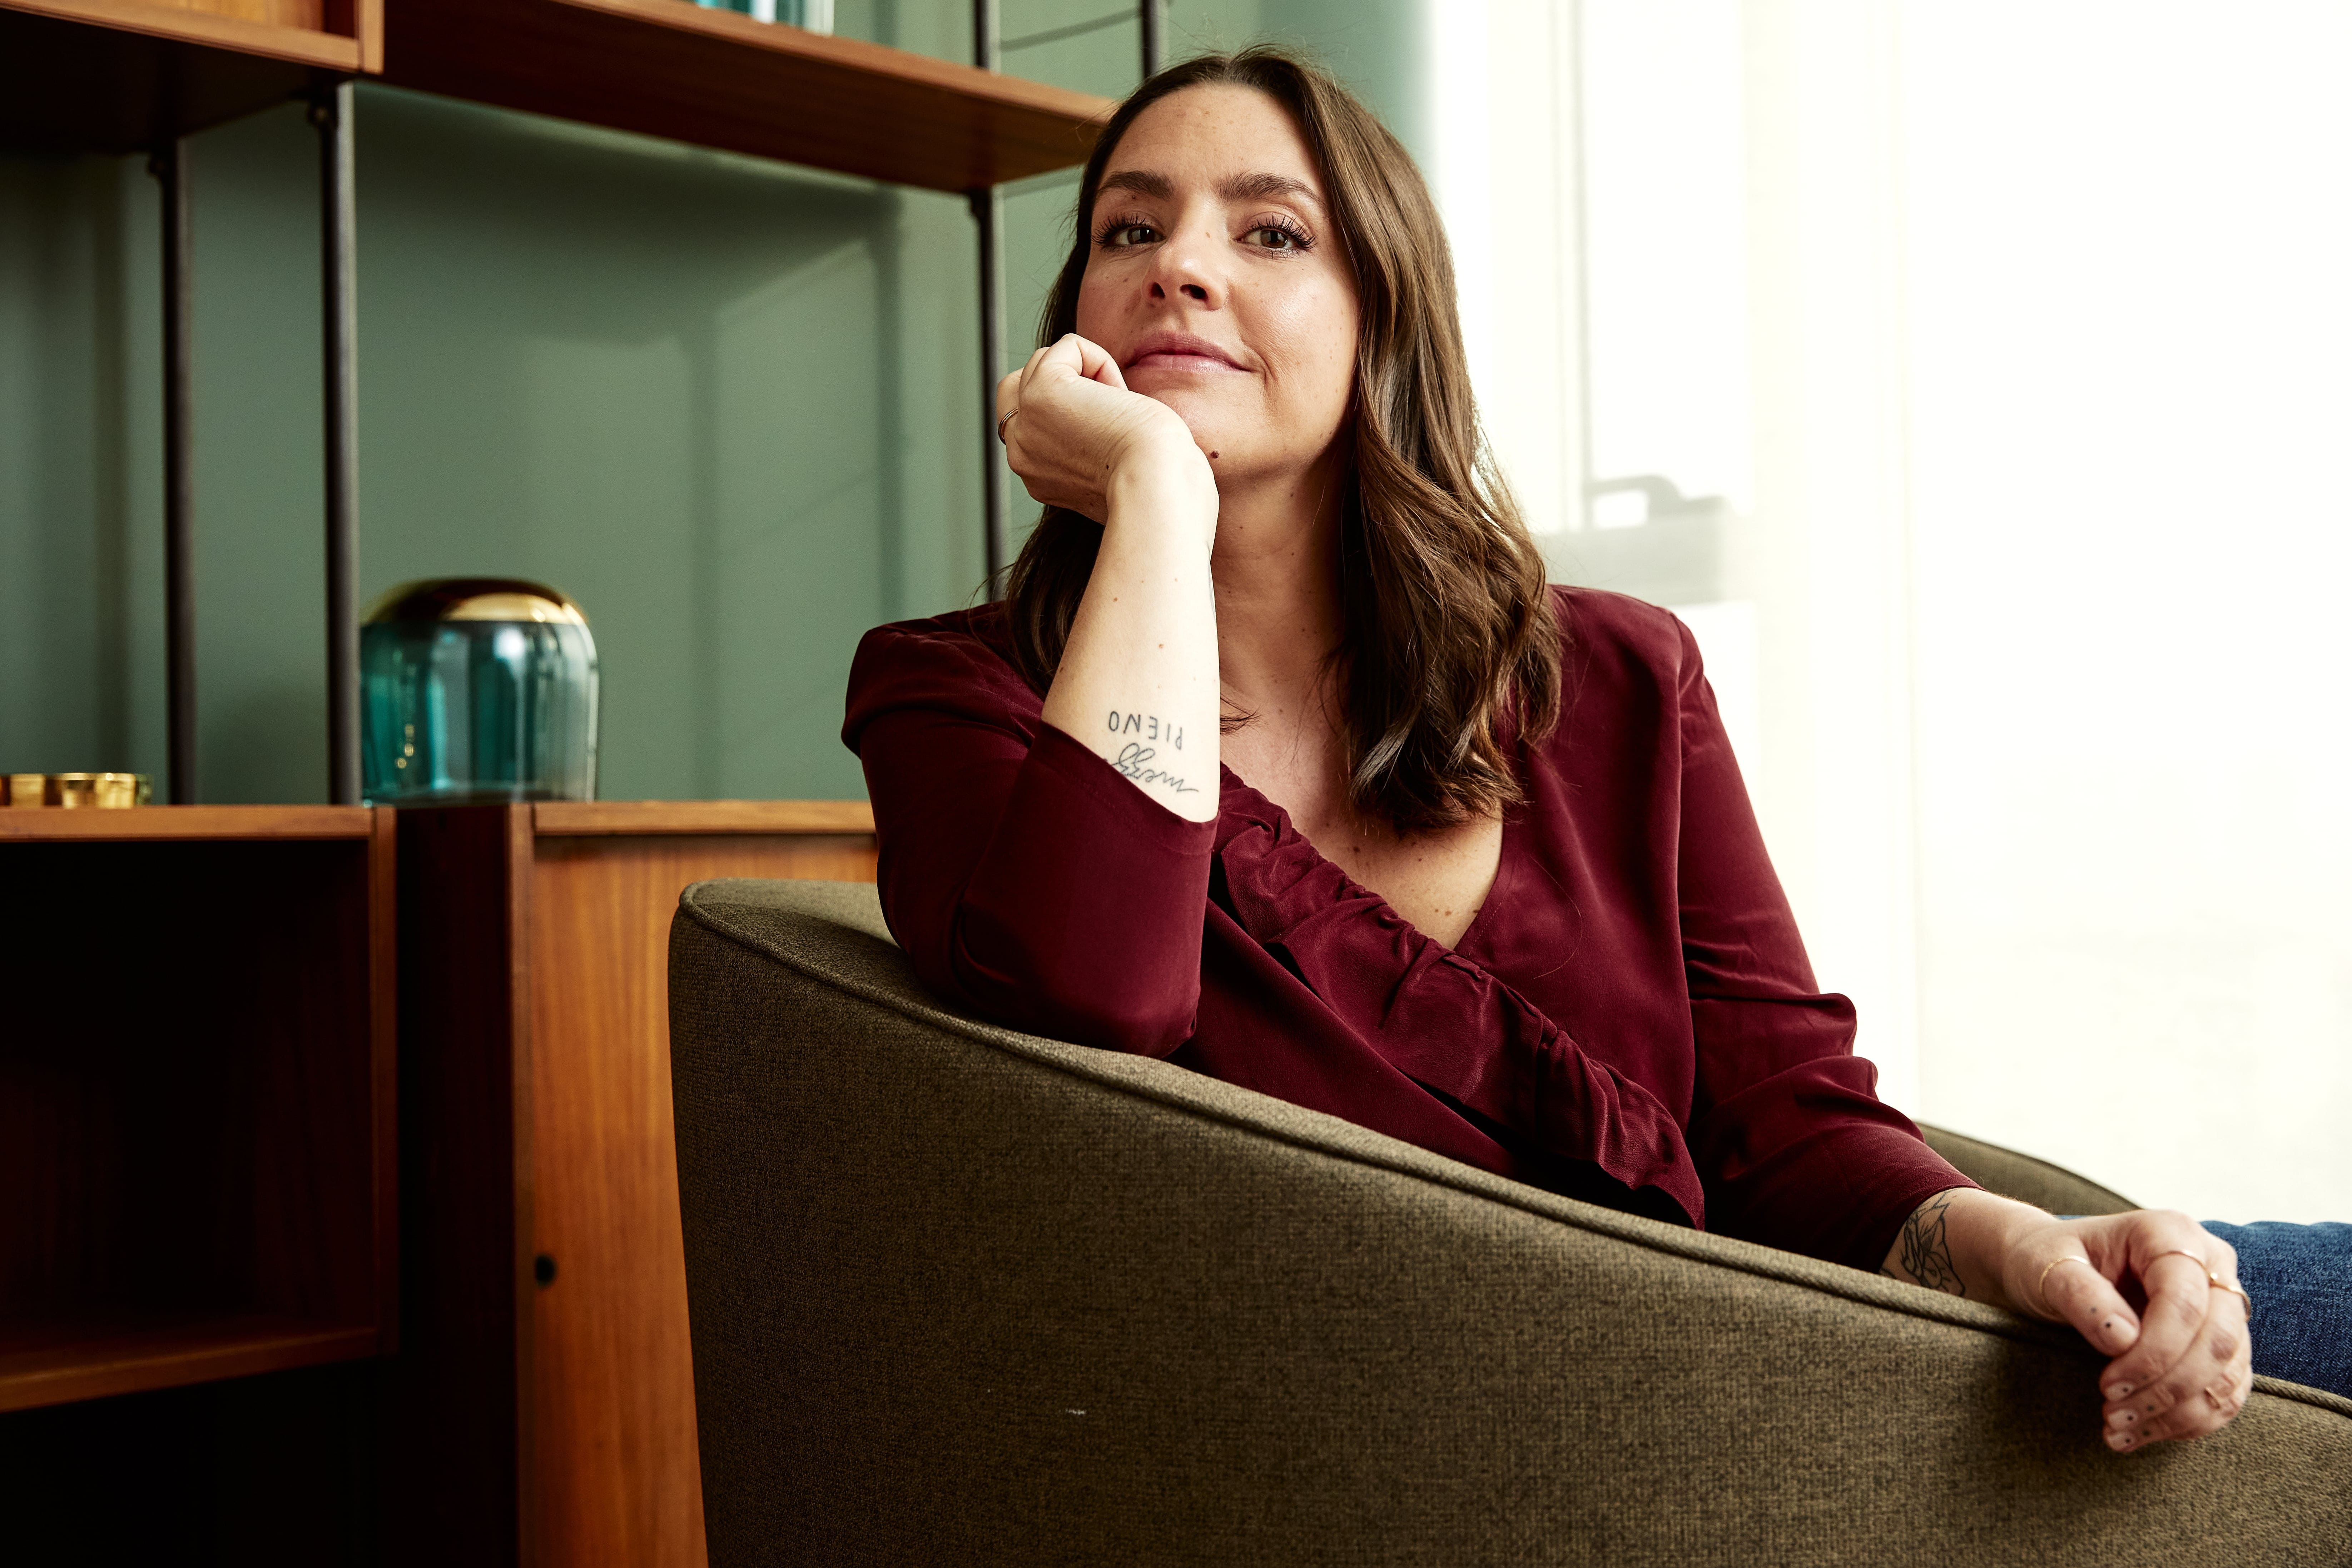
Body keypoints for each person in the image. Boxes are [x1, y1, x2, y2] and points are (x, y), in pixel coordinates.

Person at [842, 47, 2349, 1448]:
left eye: (1271, 232)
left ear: (1384, 321)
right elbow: (1096, 1006)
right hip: (1398, 1433)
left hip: (1758, 1371)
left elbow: (1783, 1121)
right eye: (1128, 230)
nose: (1177, 264)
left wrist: (2020, 1240)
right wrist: (1157, 496)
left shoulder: (1617, 676)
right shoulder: (953, 695)